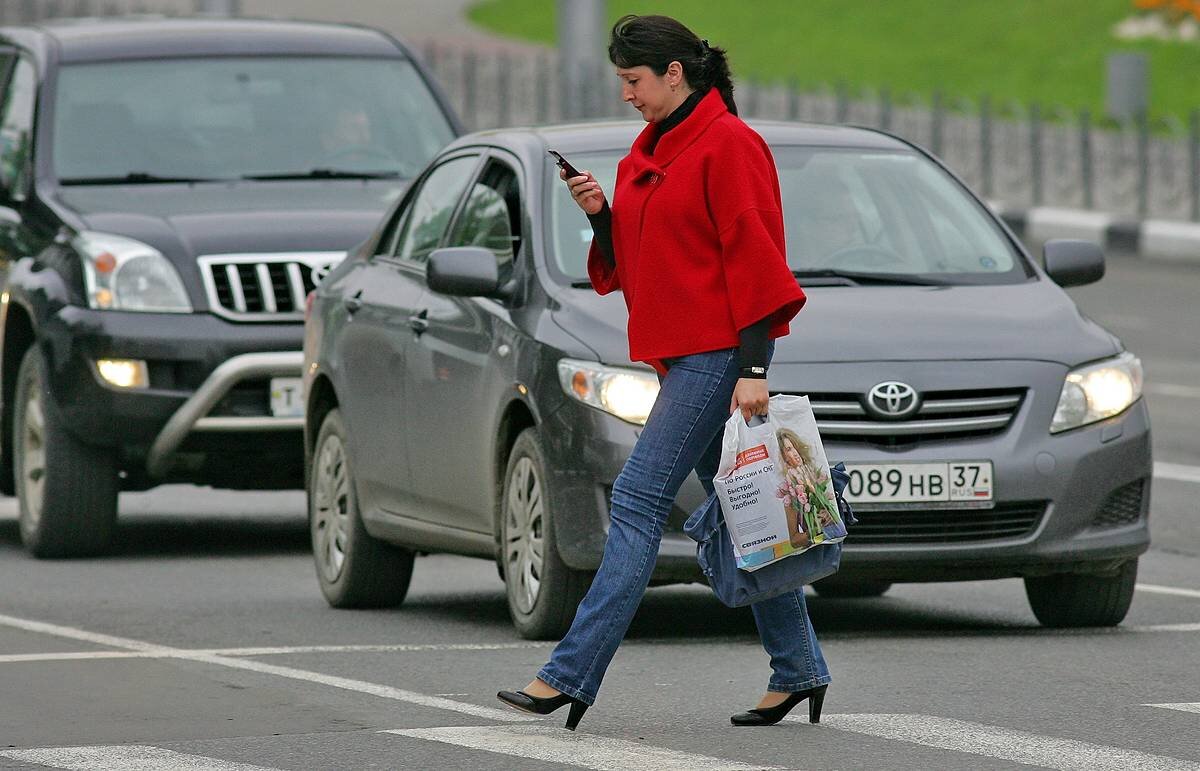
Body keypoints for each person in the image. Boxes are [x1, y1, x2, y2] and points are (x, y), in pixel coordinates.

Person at [497, 14, 832, 730]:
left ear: (673, 74)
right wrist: (600, 218)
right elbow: (651, 260)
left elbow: (756, 261)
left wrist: (753, 365)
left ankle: (568, 674)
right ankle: (799, 666)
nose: (627, 94)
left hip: (716, 358)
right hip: (681, 356)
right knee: (751, 515)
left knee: (639, 500)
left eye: (634, 80)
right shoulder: (648, 153)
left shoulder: (730, 146)